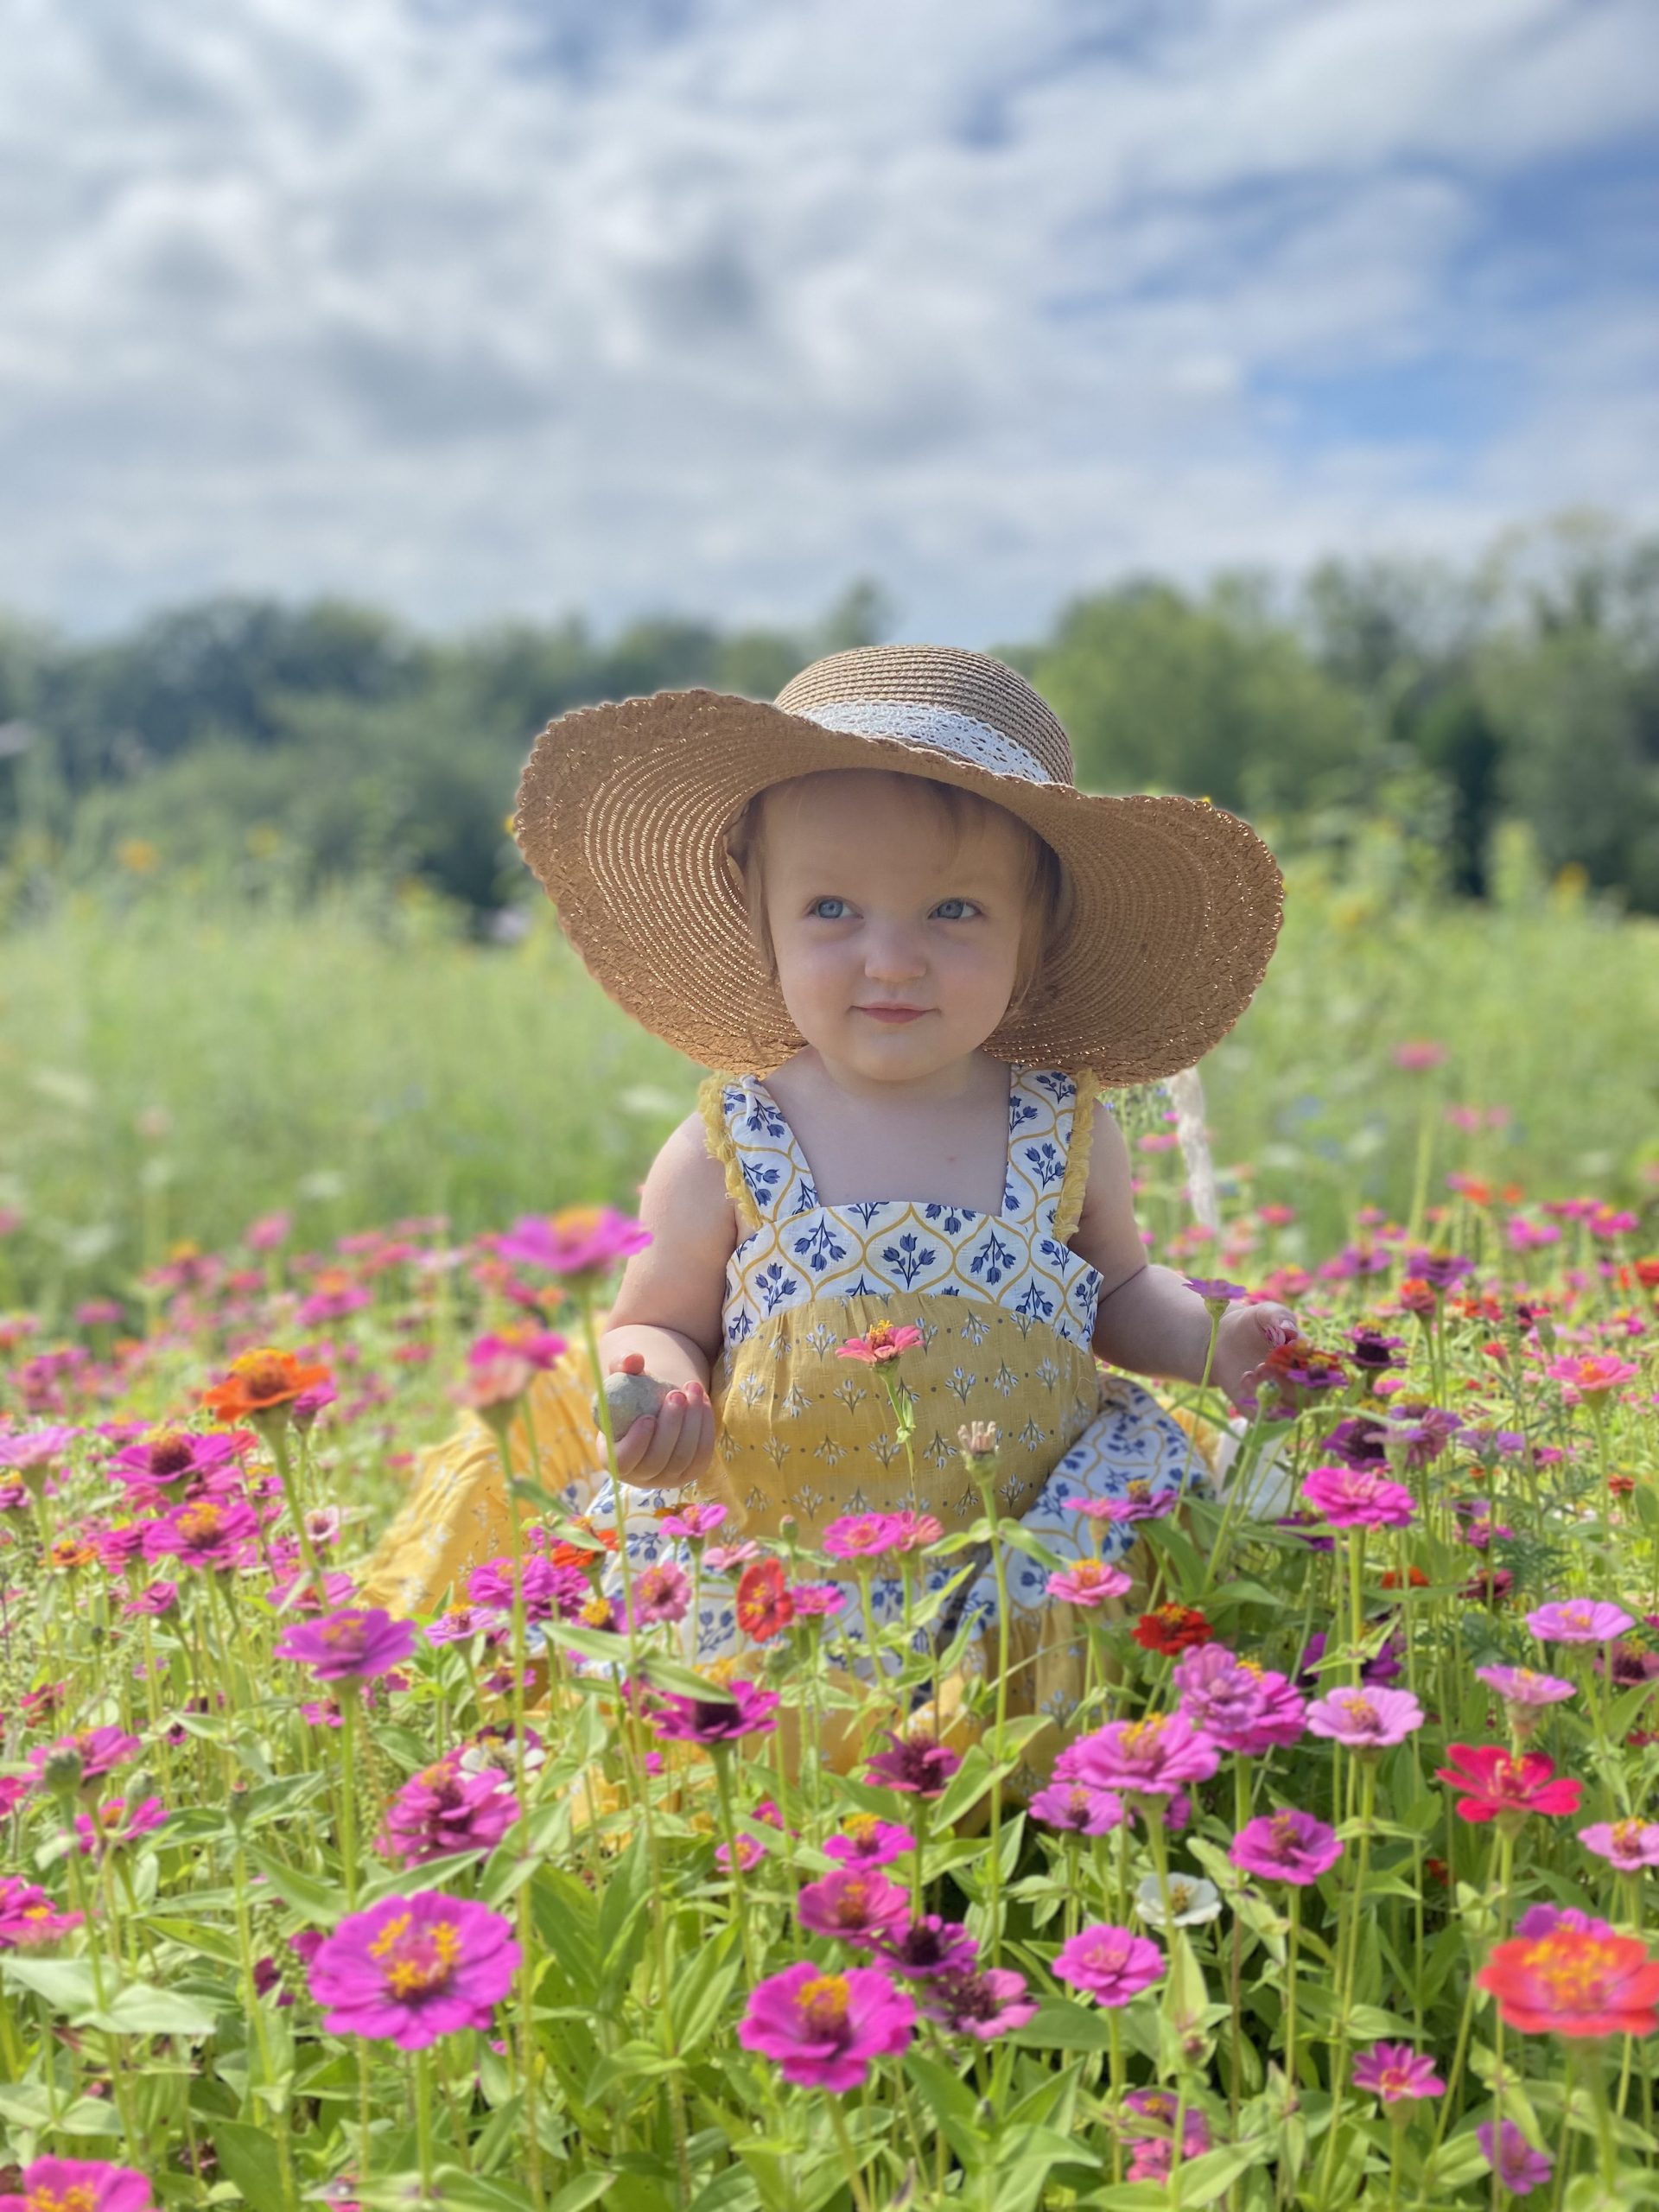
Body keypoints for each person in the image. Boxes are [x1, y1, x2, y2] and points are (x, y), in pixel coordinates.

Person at [367, 644, 1293, 1795]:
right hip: (787, 1557)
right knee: (760, 1760)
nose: (892, 958)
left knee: (1049, 1727)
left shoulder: (1065, 1127)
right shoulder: (733, 1141)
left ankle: (1025, 1813)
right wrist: (659, 1385)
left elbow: (1117, 1297)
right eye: (831, 909)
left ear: (1033, 935)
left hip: (1021, 1546)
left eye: (954, 910)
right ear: (761, 924)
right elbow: (654, 1319)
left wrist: (1220, 1341)